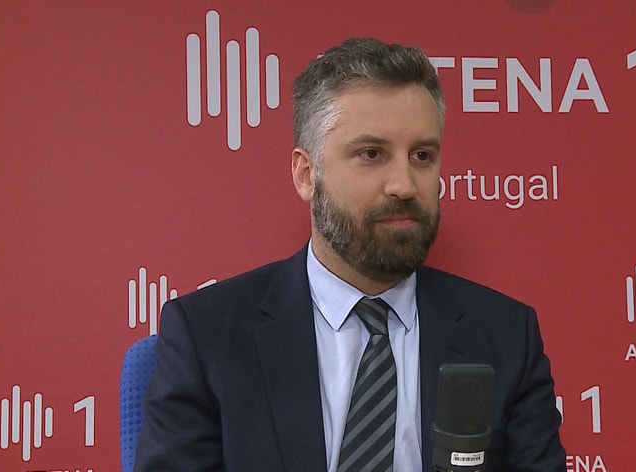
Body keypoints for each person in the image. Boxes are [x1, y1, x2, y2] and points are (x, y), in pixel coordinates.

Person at [135, 38, 565, 471]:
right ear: (307, 175)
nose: (404, 185)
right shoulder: (209, 336)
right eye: (371, 154)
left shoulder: (506, 337)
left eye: (421, 156)